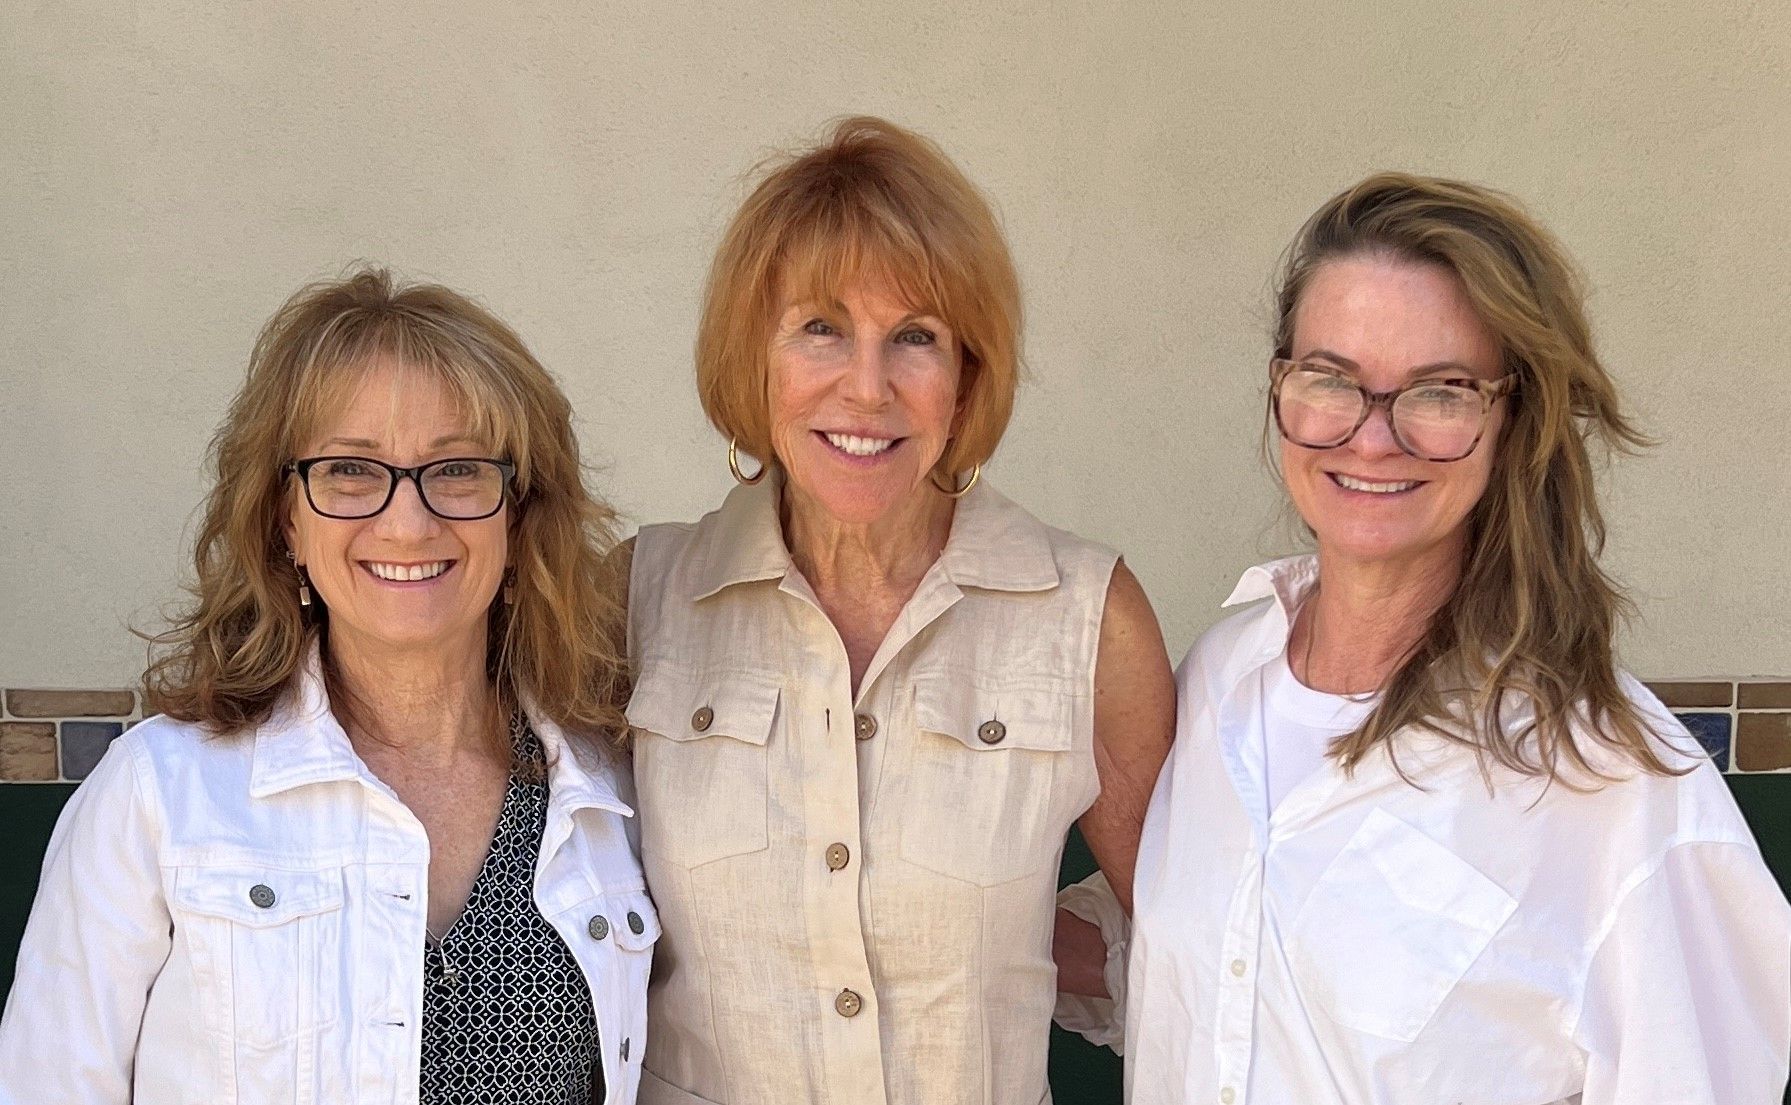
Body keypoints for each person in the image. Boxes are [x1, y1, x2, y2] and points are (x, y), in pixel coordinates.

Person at [1055, 173, 1791, 1104]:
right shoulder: (1220, 679)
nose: (1371, 437)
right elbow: (1226, 986)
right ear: (1281, 386)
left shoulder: (1613, 787)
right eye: (1330, 378)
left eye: (1441, 391)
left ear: (1512, 420)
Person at [0, 269, 657, 1105]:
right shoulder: (160, 792)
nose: (408, 522)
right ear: (286, 519)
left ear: (519, 515)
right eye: (351, 469)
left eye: (455, 468)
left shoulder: (606, 794)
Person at [623, 116, 1176, 1104]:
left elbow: (1194, 956)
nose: (867, 387)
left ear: (968, 373)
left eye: (915, 336)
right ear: (756, 356)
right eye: (820, 328)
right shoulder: (638, 600)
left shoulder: (1086, 617)